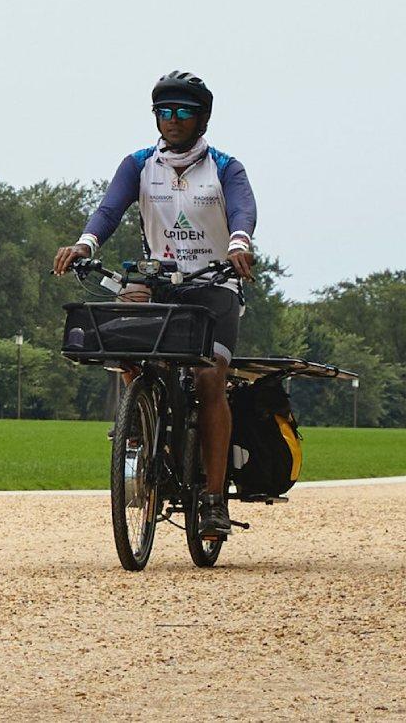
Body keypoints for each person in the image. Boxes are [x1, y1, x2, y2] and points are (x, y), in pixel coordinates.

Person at [54, 71, 256, 537]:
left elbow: (244, 210)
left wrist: (240, 242)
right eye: (164, 112)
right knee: (122, 341)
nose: (173, 120)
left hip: (214, 283)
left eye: (184, 112)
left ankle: (211, 498)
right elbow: (109, 208)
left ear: (202, 117)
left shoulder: (225, 167)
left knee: (210, 379)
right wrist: (85, 244)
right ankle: (144, 423)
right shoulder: (140, 164)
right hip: (158, 280)